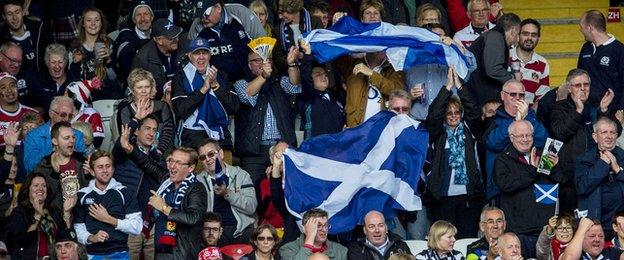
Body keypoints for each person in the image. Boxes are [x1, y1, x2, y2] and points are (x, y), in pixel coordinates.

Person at [494, 120, 565, 258]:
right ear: (511, 138)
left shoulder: (544, 156)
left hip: (545, 230)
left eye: (529, 135)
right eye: (521, 136)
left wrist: (555, 167)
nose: (525, 139)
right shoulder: (503, 160)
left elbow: (564, 182)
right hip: (520, 232)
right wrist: (532, 170)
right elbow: (505, 185)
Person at [550, 68, 615, 214]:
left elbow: (613, 132)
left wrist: (604, 110)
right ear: (569, 88)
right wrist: (577, 111)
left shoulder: (593, 107)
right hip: (568, 179)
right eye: (578, 85)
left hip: (592, 174)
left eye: (586, 84)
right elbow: (560, 133)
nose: (583, 88)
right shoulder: (559, 107)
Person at [233, 48, 301, 184]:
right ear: (249, 65)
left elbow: (295, 86)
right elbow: (247, 94)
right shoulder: (241, 82)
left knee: (285, 190)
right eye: (257, 60)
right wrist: (263, 76)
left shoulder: (279, 81)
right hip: (253, 153)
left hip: (281, 148)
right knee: (254, 193)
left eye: (266, 60)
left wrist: (292, 64)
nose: (262, 63)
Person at [171, 37, 239, 154]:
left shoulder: (221, 76)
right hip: (191, 140)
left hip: (221, 139)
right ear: (189, 55)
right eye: (197, 53)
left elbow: (234, 107)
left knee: (224, 172)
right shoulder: (180, 77)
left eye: (205, 52)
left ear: (210, 55)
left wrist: (216, 86)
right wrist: (203, 89)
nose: (201, 57)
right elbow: (181, 110)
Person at [484, 79, 547, 200]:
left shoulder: (531, 117)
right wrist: (516, 121)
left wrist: (526, 116)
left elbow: (542, 140)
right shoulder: (494, 119)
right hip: (501, 189)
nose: (517, 98)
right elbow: (494, 143)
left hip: (529, 184)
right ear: (503, 95)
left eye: (521, 95)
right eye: (513, 94)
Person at [73, 150, 142, 259]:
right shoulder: (82, 195)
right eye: (100, 167)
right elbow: (78, 227)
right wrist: (92, 237)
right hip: (92, 254)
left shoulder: (124, 192)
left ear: (113, 169)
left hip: (120, 253)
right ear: (92, 171)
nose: (105, 170)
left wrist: (109, 219)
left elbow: (137, 227)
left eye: (108, 166)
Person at [115, 116, 165, 259]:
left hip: (153, 223)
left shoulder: (158, 157)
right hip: (131, 221)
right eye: (147, 128)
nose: (151, 133)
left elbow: (161, 175)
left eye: (154, 130)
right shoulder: (124, 153)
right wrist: (135, 119)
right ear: (136, 131)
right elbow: (119, 146)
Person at [149, 147, 208, 259]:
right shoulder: (166, 185)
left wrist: (163, 207)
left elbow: (193, 218)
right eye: (171, 160)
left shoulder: (196, 188)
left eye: (179, 163)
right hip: (160, 251)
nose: (172, 166)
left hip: (180, 254)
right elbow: (147, 165)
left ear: (191, 168)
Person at [196, 139, 257, 244]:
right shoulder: (198, 180)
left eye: (211, 154)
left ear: (221, 153)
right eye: (203, 157)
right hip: (213, 234)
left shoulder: (241, 175)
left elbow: (251, 207)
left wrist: (228, 194)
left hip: (241, 230)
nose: (207, 159)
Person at [575, 117, 624, 238]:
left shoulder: (623, 156)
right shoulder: (584, 159)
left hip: (621, 225)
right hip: (595, 224)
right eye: (604, 132)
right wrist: (602, 164)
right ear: (595, 137)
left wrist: (618, 169)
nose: (609, 136)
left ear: (617, 135)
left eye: (612, 132)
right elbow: (581, 187)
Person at [193, 0, 263, 82]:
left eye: (206, 14)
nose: (203, 18)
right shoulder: (197, 26)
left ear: (218, 7)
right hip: (217, 84)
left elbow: (263, 44)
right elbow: (192, 57)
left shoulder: (240, 13)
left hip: (247, 79)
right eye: (200, 15)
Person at [6, 172, 72, 259]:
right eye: (36, 185)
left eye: (44, 186)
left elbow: (67, 238)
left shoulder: (54, 212)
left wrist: (67, 212)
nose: (40, 188)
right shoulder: (19, 212)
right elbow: (20, 240)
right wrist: (37, 215)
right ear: (28, 189)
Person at [115, 68, 176, 154]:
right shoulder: (125, 111)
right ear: (132, 90)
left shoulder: (162, 106)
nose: (143, 91)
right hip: (136, 155)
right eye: (139, 87)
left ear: (151, 88)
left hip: (162, 152)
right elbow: (127, 137)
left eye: (147, 87)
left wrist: (159, 151)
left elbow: (168, 132)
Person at [467, 13, 522, 105]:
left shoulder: (494, 36)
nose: (517, 39)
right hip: (480, 98)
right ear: (513, 30)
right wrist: (513, 78)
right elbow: (493, 69)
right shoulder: (495, 37)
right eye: (518, 33)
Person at [23, 96, 86, 173]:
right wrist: (54, 149)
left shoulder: (78, 135)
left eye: (70, 116)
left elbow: (82, 166)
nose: (66, 119)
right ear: (51, 113)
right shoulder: (33, 136)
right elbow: (29, 167)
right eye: (63, 115)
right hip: (43, 180)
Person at [577, 10, 624, 110]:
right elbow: (579, 75)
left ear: (589, 28)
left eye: (581, 26)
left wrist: (621, 109)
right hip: (588, 110)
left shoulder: (620, 50)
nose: (580, 30)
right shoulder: (586, 48)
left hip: (613, 112)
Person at [69, 7, 118, 100]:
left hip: (109, 95)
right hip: (85, 96)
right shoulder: (75, 46)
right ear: (83, 23)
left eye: (97, 20)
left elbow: (114, 77)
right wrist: (76, 64)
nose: (93, 23)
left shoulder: (109, 43)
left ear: (101, 23)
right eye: (89, 20)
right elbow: (71, 81)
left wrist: (109, 60)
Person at [299, 41, 344, 139]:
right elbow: (305, 77)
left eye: (325, 74)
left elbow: (336, 74)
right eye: (318, 75)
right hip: (315, 148)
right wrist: (307, 54)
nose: (324, 77)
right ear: (311, 79)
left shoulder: (335, 97)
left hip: (336, 148)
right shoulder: (308, 97)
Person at [132, 18, 185, 99]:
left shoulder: (185, 48)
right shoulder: (142, 58)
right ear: (159, 40)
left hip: (184, 98)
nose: (176, 40)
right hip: (157, 102)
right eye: (171, 38)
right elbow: (137, 88)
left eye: (177, 36)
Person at [0, 0, 53, 72]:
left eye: (17, 12)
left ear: (23, 12)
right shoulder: (2, 38)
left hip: (44, 80)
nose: (14, 18)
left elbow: (55, 54)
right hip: (15, 81)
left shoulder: (40, 28)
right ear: (4, 16)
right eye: (9, 14)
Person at [279, 208, 348, 260]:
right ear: (304, 229)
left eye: (326, 225)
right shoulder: (288, 249)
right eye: (318, 225)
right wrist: (310, 238)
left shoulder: (340, 251)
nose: (324, 230)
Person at [509, 19, 551, 105]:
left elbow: (542, 97)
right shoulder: (506, 56)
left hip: (529, 114)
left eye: (534, 35)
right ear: (518, 36)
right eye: (525, 34)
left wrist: (531, 117)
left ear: (538, 38)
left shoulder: (542, 63)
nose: (529, 38)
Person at [113, 2, 154, 84]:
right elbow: (125, 69)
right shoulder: (126, 37)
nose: (143, 19)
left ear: (152, 17)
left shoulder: (158, 34)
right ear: (134, 20)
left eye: (146, 14)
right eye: (138, 15)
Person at [347, 210, 412, 259]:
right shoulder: (356, 250)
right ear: (365, 230)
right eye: (371, 226)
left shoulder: (400, 246)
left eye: (380, 225)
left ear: (386, 228)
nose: (377, 230)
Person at [0, 41, 45, 109]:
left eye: (19, 61)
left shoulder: (26, 73)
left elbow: (44, 98)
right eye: (13, 60)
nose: (16, 65)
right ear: (0, 57)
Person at [65, 79, 105, 149]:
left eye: (66, 93)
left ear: (74, 97)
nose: (63, 96)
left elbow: (97, 141)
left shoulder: (92, 114)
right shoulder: (62, 113)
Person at [559, 218, 624, 260]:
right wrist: (582, 229)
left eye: (601, 236)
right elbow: (569, 258)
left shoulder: (612, 253)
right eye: (592, 236)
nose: (597, 239)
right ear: (581, 238)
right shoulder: (571, 252)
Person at [0, 72, 37, 146]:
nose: (9, 90)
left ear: (17, 88)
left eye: (12, 86)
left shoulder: (33, 114)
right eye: (3, 87)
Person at [40, 44, 77, 111]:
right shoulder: (40, 81)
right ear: (47, 63)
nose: (57, 66)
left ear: (65, 63)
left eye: (60, 62)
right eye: (53, 62)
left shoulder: (73, 81)